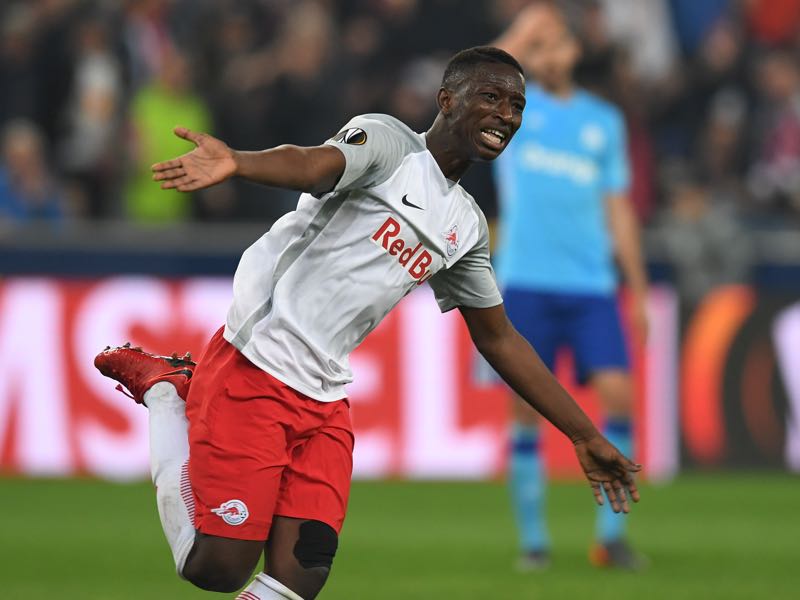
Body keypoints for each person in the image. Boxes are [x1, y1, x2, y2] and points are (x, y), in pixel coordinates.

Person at [94, 46, 640, 600]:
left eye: (516, 105)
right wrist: (240, 160)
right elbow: (310, 163)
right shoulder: (387, 143)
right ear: (447, 100)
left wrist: (584, 433)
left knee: (300, 576)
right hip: (257, 363)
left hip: (325, 396)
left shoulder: (465, 226)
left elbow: (497, 337)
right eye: (492, 97)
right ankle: (166, 390)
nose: (507, 115)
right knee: (216, 569)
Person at [494, 4, 649, 570]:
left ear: (576, 52)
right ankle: (534, 543)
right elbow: (478, 75)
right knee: (525, 412)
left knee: (619, 398)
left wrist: (634, 288)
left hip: (591, 286)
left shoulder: (603, 121)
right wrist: (527, 28)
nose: (550, 53)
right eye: (540, 48)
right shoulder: (513, 113)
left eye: (558, 43)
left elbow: (619, 209)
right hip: (528, 282)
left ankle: (609, 539)